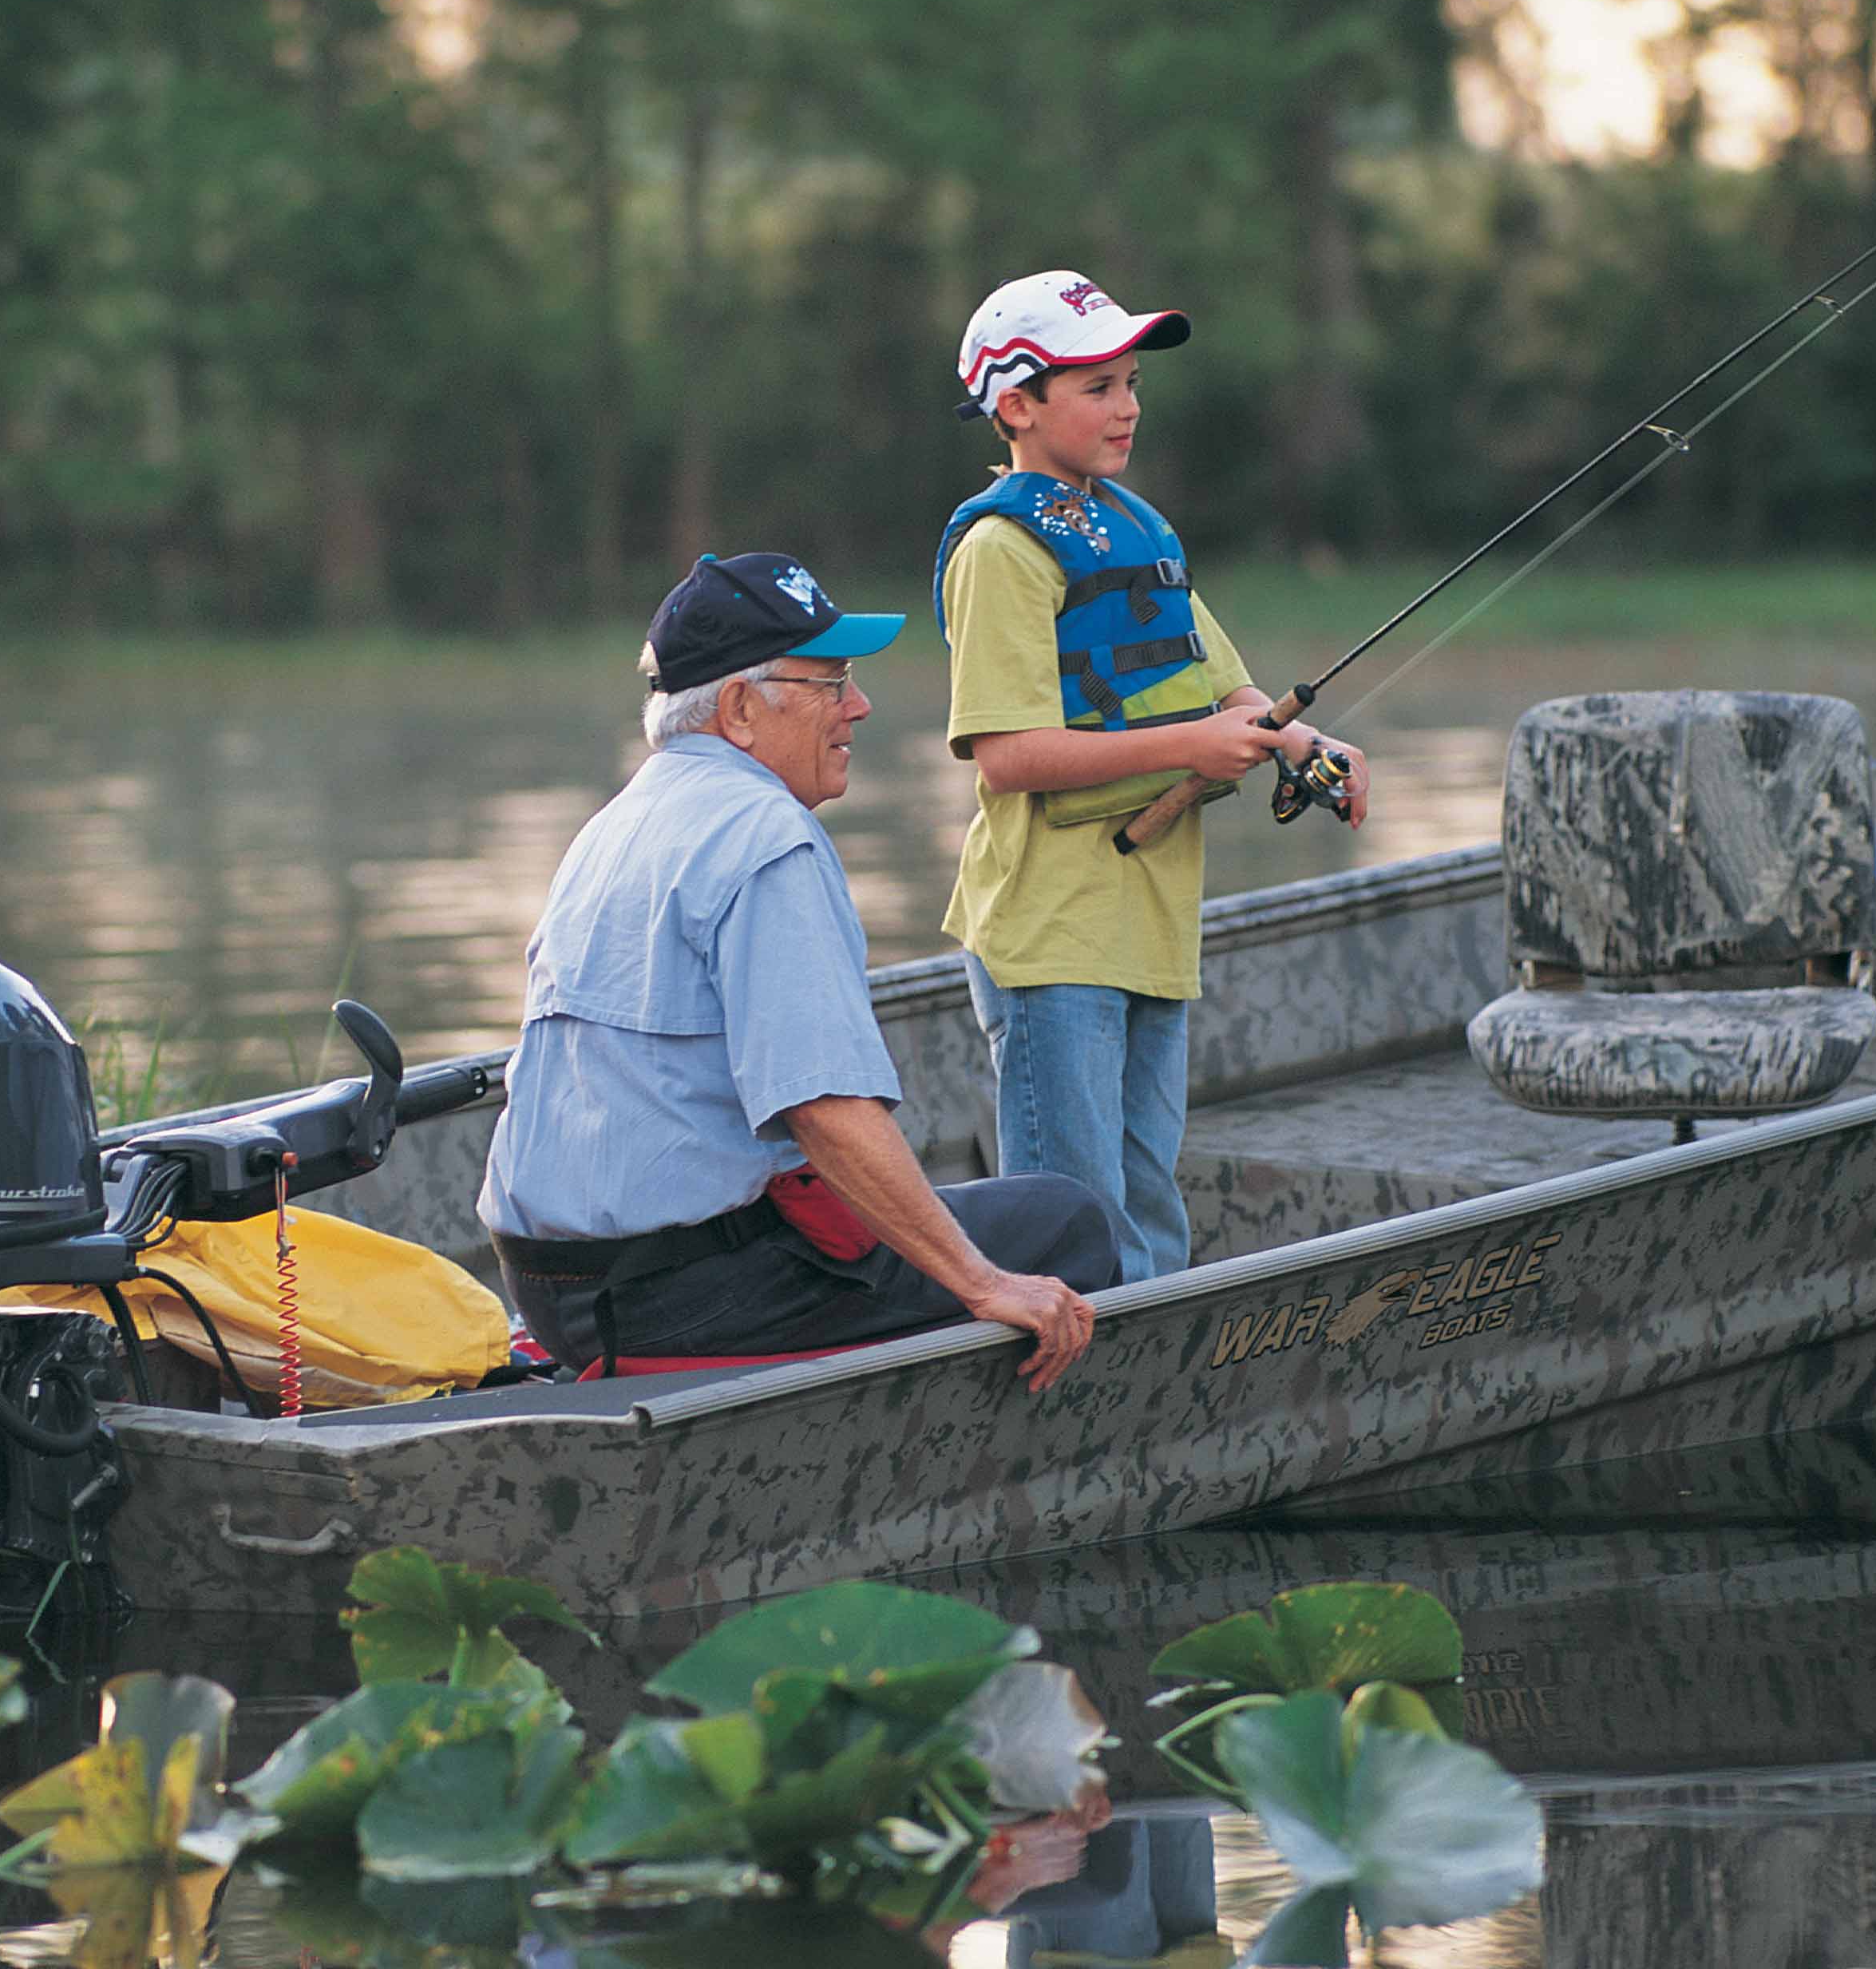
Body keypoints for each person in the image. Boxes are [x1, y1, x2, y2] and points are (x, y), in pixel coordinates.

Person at [477, 550, 1120, 1390]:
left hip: (550, 1285)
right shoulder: (765, 839)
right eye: (831, 681)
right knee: (1066, 1223)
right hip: (667, 1296)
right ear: (741, 708)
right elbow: (823, 1108)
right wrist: (983, 1282)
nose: (858, 705)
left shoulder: (618, 820)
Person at [933, 271, 1370, 1282]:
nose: (1127, 405)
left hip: (1151, 921)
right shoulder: (1000, 548)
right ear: (1017, 405)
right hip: (1053, 931)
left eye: (1130, 382)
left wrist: (1308, 748)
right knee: (1071, 1224)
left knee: (1148, 1207)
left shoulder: (1135, 527)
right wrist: (1185, 750)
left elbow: (1232, 698)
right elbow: (1007, 757)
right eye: (1096, 386)